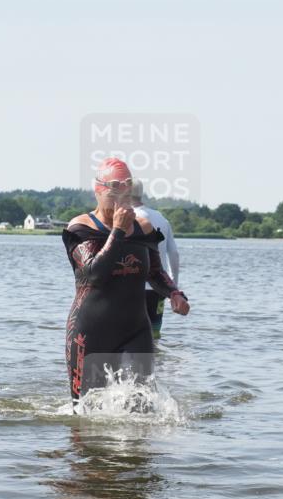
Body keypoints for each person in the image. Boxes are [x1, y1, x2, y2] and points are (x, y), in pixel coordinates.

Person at [63, 157, 189, 405]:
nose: (122, 193)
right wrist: (118, 232)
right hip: (91, 332)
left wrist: (174, 293)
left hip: (135, 329)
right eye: (115, 186)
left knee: (142, 403)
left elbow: (155, 272)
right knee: (85, 410)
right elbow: (93, 274)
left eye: (127, 185)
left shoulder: (143, 227)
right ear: (98, 189)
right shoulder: (81, 228)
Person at [131, 180, 180, 340]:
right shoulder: (161, 218)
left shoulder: (126, 217)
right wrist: (173, 287)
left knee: (131, 335)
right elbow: (174, 253)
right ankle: (155, 363)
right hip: (159, 288)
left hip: (133, 287)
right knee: (154, 334)